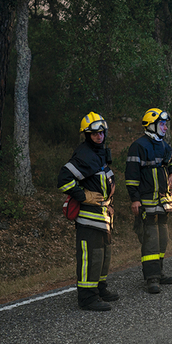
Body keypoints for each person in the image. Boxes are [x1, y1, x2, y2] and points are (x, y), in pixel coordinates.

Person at [57, 112, 119, 311]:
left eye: (102, 132)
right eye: (94, 134)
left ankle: (99, 289)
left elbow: (101, 181)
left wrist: (108, 202)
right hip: (88, 218)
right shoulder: (84, 154)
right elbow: (64, 179)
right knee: (91, 257)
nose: (99, 136)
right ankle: (87, 297)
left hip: (102, 215)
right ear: (87, 135)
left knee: (103, 255)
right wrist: (84, 196)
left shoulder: (99, 152)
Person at [126, 108, 172, 294]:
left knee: (163, 238)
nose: (165, 127)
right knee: (151, 240)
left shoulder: (163, 144)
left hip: (163, 201)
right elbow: (131, 176)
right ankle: (152, 278)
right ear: (151, 125)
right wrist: (135, 199)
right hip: (147, 201)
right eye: (162, 124)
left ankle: (160, 272)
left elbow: (171, 161)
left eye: (165, 124)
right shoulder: (138, 146)